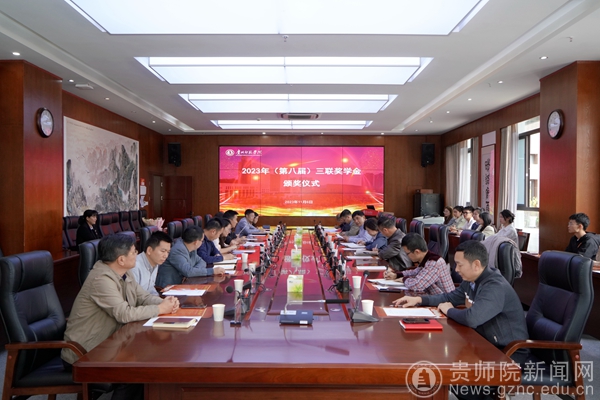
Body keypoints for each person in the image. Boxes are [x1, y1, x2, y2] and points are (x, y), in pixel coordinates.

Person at [393, 240, 529, 399]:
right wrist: (419, 300)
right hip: (485, 343)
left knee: (461, 379)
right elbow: (450, 297)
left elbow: (472, 318)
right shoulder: (472, 280)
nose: (456, 269)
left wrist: (449, 310)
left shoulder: (494, 286)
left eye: (459, 264)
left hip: (508, 352)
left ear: (476, 264)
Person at [62, 234, 179, 400]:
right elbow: (124, 314)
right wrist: (159, 309)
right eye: (133, 252)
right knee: (135, 371)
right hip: (86, 351)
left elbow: (142, 296)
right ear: (121, 260)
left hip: (110, 343)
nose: (137, 254)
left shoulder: (125, 273)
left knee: (148, 360)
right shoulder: (101, 279)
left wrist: (166, 303)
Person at [385, 233, 454, 296]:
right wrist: (397, 275)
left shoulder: (434, 263)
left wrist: (404, 279)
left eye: (407, 253)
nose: (407, 256)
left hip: (445, 302)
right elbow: (415, 272)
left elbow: (417, 285)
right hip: (433, 298)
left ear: (417, 252)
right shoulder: (426, 259)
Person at [156, 226, 225, 288]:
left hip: (182, 286)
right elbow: (189, 272)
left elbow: (201, 261)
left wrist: (194, 271)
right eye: (202, 241)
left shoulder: (192, 248)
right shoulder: (177, 251)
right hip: (168, 288)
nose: (202, 243)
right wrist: (212, 271)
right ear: (196, 242)